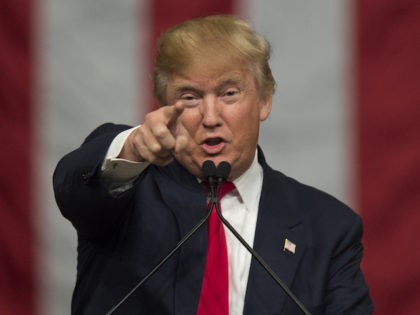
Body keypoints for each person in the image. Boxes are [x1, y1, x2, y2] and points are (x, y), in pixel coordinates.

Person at [53, 15, 374, 315]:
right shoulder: (126, 188)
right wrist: (136, 147)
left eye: (229, 94)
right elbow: (73, 186)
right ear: (164, 106)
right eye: (189, 97)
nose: (210, 118)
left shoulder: (329, 228)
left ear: (264, 100)